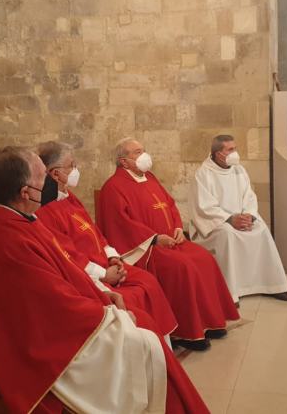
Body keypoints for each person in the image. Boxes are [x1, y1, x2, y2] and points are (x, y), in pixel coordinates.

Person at [0, 146, 209, 413]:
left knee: (144, 325)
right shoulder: (5, 240)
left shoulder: (16, 216)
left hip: (61, 317)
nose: (50, 184)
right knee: (145, 341)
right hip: (42, 347)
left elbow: (62, 266)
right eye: (44, 178)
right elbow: (51, 305)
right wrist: (107, 312)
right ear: (24, 193)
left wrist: (102, 292)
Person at [97, 137, 240, 351]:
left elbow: (170, 205)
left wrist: (177, 228)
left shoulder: (150, 178)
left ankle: (209, 323)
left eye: (143, 150)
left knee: (205, 259)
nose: (144, 155)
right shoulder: (113, 187)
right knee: (182, 267)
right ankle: (186, 332)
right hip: (145, 247)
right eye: (137, 152)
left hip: (169, 239)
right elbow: (120, 224)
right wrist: (154, 238)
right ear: (123, 161)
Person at [34, 140, 179, 340]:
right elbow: (66, 253)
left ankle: (158, 345)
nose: (76, 170)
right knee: (131, 297)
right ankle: (141, 346)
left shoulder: (69, 197)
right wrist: (104, 274)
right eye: (72, 166)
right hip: (87, 275)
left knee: (148, 281)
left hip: (105, 263)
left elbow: (96, 232)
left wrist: (113, 257)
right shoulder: (46, 209)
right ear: (55, 173)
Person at [188, 135, 287, 303]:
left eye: (235, 148)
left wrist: (248, 215)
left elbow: (249, 197)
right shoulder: (203, 174)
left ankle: (272, 285)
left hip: (240, 219)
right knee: (228, 234)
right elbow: (204, 206)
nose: (234, 153)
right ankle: (231, 292)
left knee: (261, 229)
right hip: (215, 224)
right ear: (217, 153)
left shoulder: (239, 170)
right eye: (230, 149)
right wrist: (230, 219)